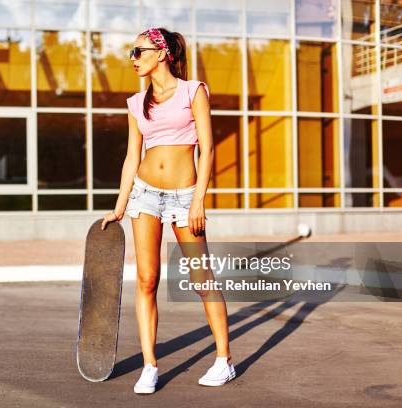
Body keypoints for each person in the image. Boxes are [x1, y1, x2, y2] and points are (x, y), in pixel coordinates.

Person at [100, 27, 234, 394]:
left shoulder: (193, 91)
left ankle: (224, 360)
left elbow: (207, 149)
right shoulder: (135, 103)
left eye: (138, 51)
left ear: (161, 53)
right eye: (132, 52)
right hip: (145, 196)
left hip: (183, 196)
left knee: (201, 279)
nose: (133, 58)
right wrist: (119, 206)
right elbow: (132, 157)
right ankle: (149, 365)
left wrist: (198, 200)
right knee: (147, 280)